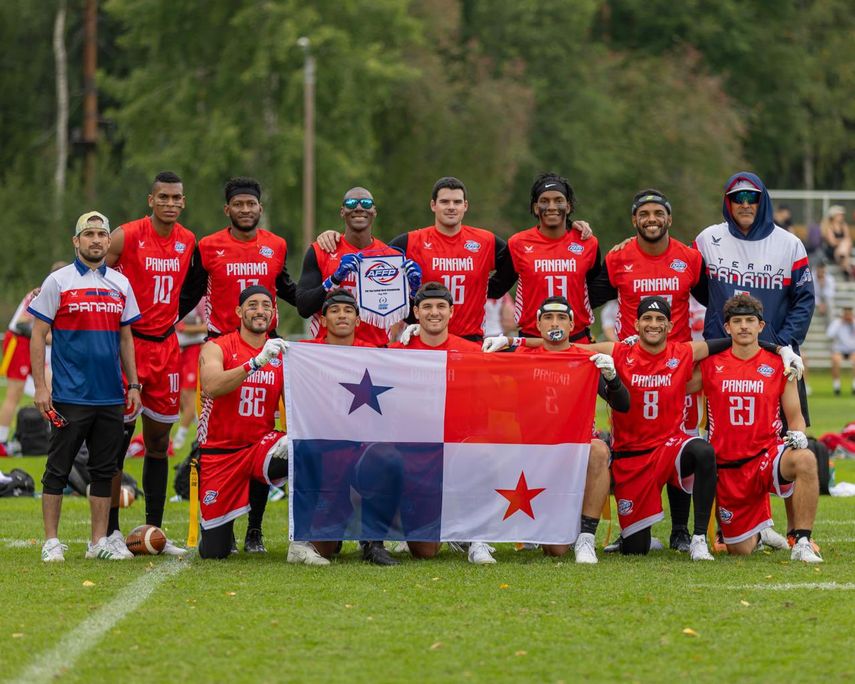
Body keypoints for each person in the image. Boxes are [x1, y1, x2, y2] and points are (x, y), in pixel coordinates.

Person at [178, 176, 298, 553]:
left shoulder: (276, 245)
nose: (246, 210)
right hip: (223, 347)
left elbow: (289, 290)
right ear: (227, 209)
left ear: (260, 208)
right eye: (239, 204)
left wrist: (331, 299)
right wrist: (159, 324)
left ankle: (255, 532)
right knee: (222, 430)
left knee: (269, 436)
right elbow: (190, 292)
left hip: (267, 348)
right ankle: (222, 519)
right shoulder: (209, 245)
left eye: (252, 204)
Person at [588, 189, 709, 551]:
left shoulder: (690, 258)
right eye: (644, 213)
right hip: (632, 369)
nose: (651, 219)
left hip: (677, 365)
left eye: (658, 212)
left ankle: (681, 532)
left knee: (683, 440)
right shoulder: (617, 258)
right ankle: (633, 525)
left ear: (669, 218)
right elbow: (586, 297)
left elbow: (713, 304)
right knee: (631, 440)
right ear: (634, 221)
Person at [28, 212, 142, 561]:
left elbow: (126, 338)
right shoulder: (57, 282)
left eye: (101, 234)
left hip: (109, 395)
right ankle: (51, 541)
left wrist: (133, 384)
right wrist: (41, 388)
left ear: (109, 242)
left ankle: (98, 543)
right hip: (67, 395)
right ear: (76, 242)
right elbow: (37, 336)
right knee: (57, 468)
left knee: (104, 471)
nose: (95, 240)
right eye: (88, 234)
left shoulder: (121, 284)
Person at [500, 295, 630, 564]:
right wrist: (508, 342)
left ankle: (586, 538)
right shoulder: (522, 355)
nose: (554, 323)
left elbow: (623, 405)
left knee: (599, 450)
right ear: (537, 324)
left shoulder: (586, 359)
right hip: (536, 454)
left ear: (572, 325)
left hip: (576, 449)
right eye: (548, 317)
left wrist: (612, 379)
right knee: (556, 550)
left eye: (561, 318)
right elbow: (469, 360)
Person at [106, 171, 196, 555]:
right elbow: (97, 269)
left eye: (177, 198)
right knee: (117, 442)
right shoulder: (127, 235)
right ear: (150, 200)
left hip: (166, 349)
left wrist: (177, 314)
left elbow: (194, 285)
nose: (171, 203)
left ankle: (155, 530)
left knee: (158, 443)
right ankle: (109, 531)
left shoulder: (188, 240)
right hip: (129, 346)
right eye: (164, 197)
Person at [693, 294, 821, 562]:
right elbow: (673, 384)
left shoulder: (779, 365)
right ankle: (760, 533)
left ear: (760, 326)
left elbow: (795, 416)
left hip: (767, 456)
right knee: (741, 550)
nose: (743, 326)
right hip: (728, 466)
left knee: (806, 458)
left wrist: (797, 436)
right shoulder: (710, 364)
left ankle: (803, 540)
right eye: (737, 321)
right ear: (726, 327)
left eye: (750, 320)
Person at [287, 289, 400, 567]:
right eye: (335, 311)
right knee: (325, 549)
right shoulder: (305, 352)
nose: (342, 315)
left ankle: (374, 541)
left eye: (348, 311)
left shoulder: (372, 354)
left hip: (362, 446)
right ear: (323, 319)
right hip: (325, 450)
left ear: (358, 320)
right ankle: (333, 530)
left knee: (390, 459)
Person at [693, 172, 815, 426]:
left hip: (774, 355)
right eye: (738, 197)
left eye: (752, 197)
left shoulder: (789, 244)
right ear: (728, 202)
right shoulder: (707, 240)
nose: (745, 204)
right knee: (724, 434)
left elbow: (804, 301)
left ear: (764, 201)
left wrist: (780, 344)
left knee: (788, 434)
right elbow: (694, 283)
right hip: (722, 356)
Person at [196, 286, 289, 559]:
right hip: (221, 453)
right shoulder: (216, 346)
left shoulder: (282, 353)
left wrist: (294, 437)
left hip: (259, 446)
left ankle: (306, 541)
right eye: (252, 305)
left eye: (265, 305)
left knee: (305, 454)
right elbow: (211, 386)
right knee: (214, 551)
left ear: (273, 312)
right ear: (238, 311)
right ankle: (222, 528)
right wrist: (255, 362)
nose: (260, 311)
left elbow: (296, 403)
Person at [297, 187, 421, 346]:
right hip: (330, 352)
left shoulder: (391, 258)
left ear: (374, 211)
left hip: (374, 351)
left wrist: (414, 293)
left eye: (367, 203)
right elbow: (303, 307)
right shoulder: (322, 250)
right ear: (342, 211)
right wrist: (334, 279)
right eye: (351, 203)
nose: (359, 207)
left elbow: (409, 317)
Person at [488, 172, 601, 342]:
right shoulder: (518, 243)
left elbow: (597, 290)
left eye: (558, 200)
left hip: (577, 341)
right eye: (544, 201)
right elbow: (497, 287)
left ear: (568, 207)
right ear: (535, 207)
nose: (552, 206)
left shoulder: (588, 243)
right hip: (532, 342)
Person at [172, 300, 207, 451]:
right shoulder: (176, 295)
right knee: (177, 393)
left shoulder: (200, 300)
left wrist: (186, 328)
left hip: (194, 348)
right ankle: (192, 415)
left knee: (188, 392)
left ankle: (180, 436)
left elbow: (207, 326)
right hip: (177, 349)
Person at [827, 306, 855, 396]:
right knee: (835, 360)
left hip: (852, 350)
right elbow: (829, 334)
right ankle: (837, 386)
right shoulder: (837, 323)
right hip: (839, 349)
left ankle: (854, 385)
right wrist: (840, 323)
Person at [821, 205, 852, 280]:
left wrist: (842, 242)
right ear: (834, 216)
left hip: (842, 251)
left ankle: (845, 269)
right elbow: (832, 242)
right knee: (844, 247)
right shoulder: (829, 226)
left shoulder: (843, 226)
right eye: (839, 214)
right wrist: (842, 242)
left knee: (844, 249)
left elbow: (847, 239)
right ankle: (847, 270)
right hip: (832, 250)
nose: (841, 216)